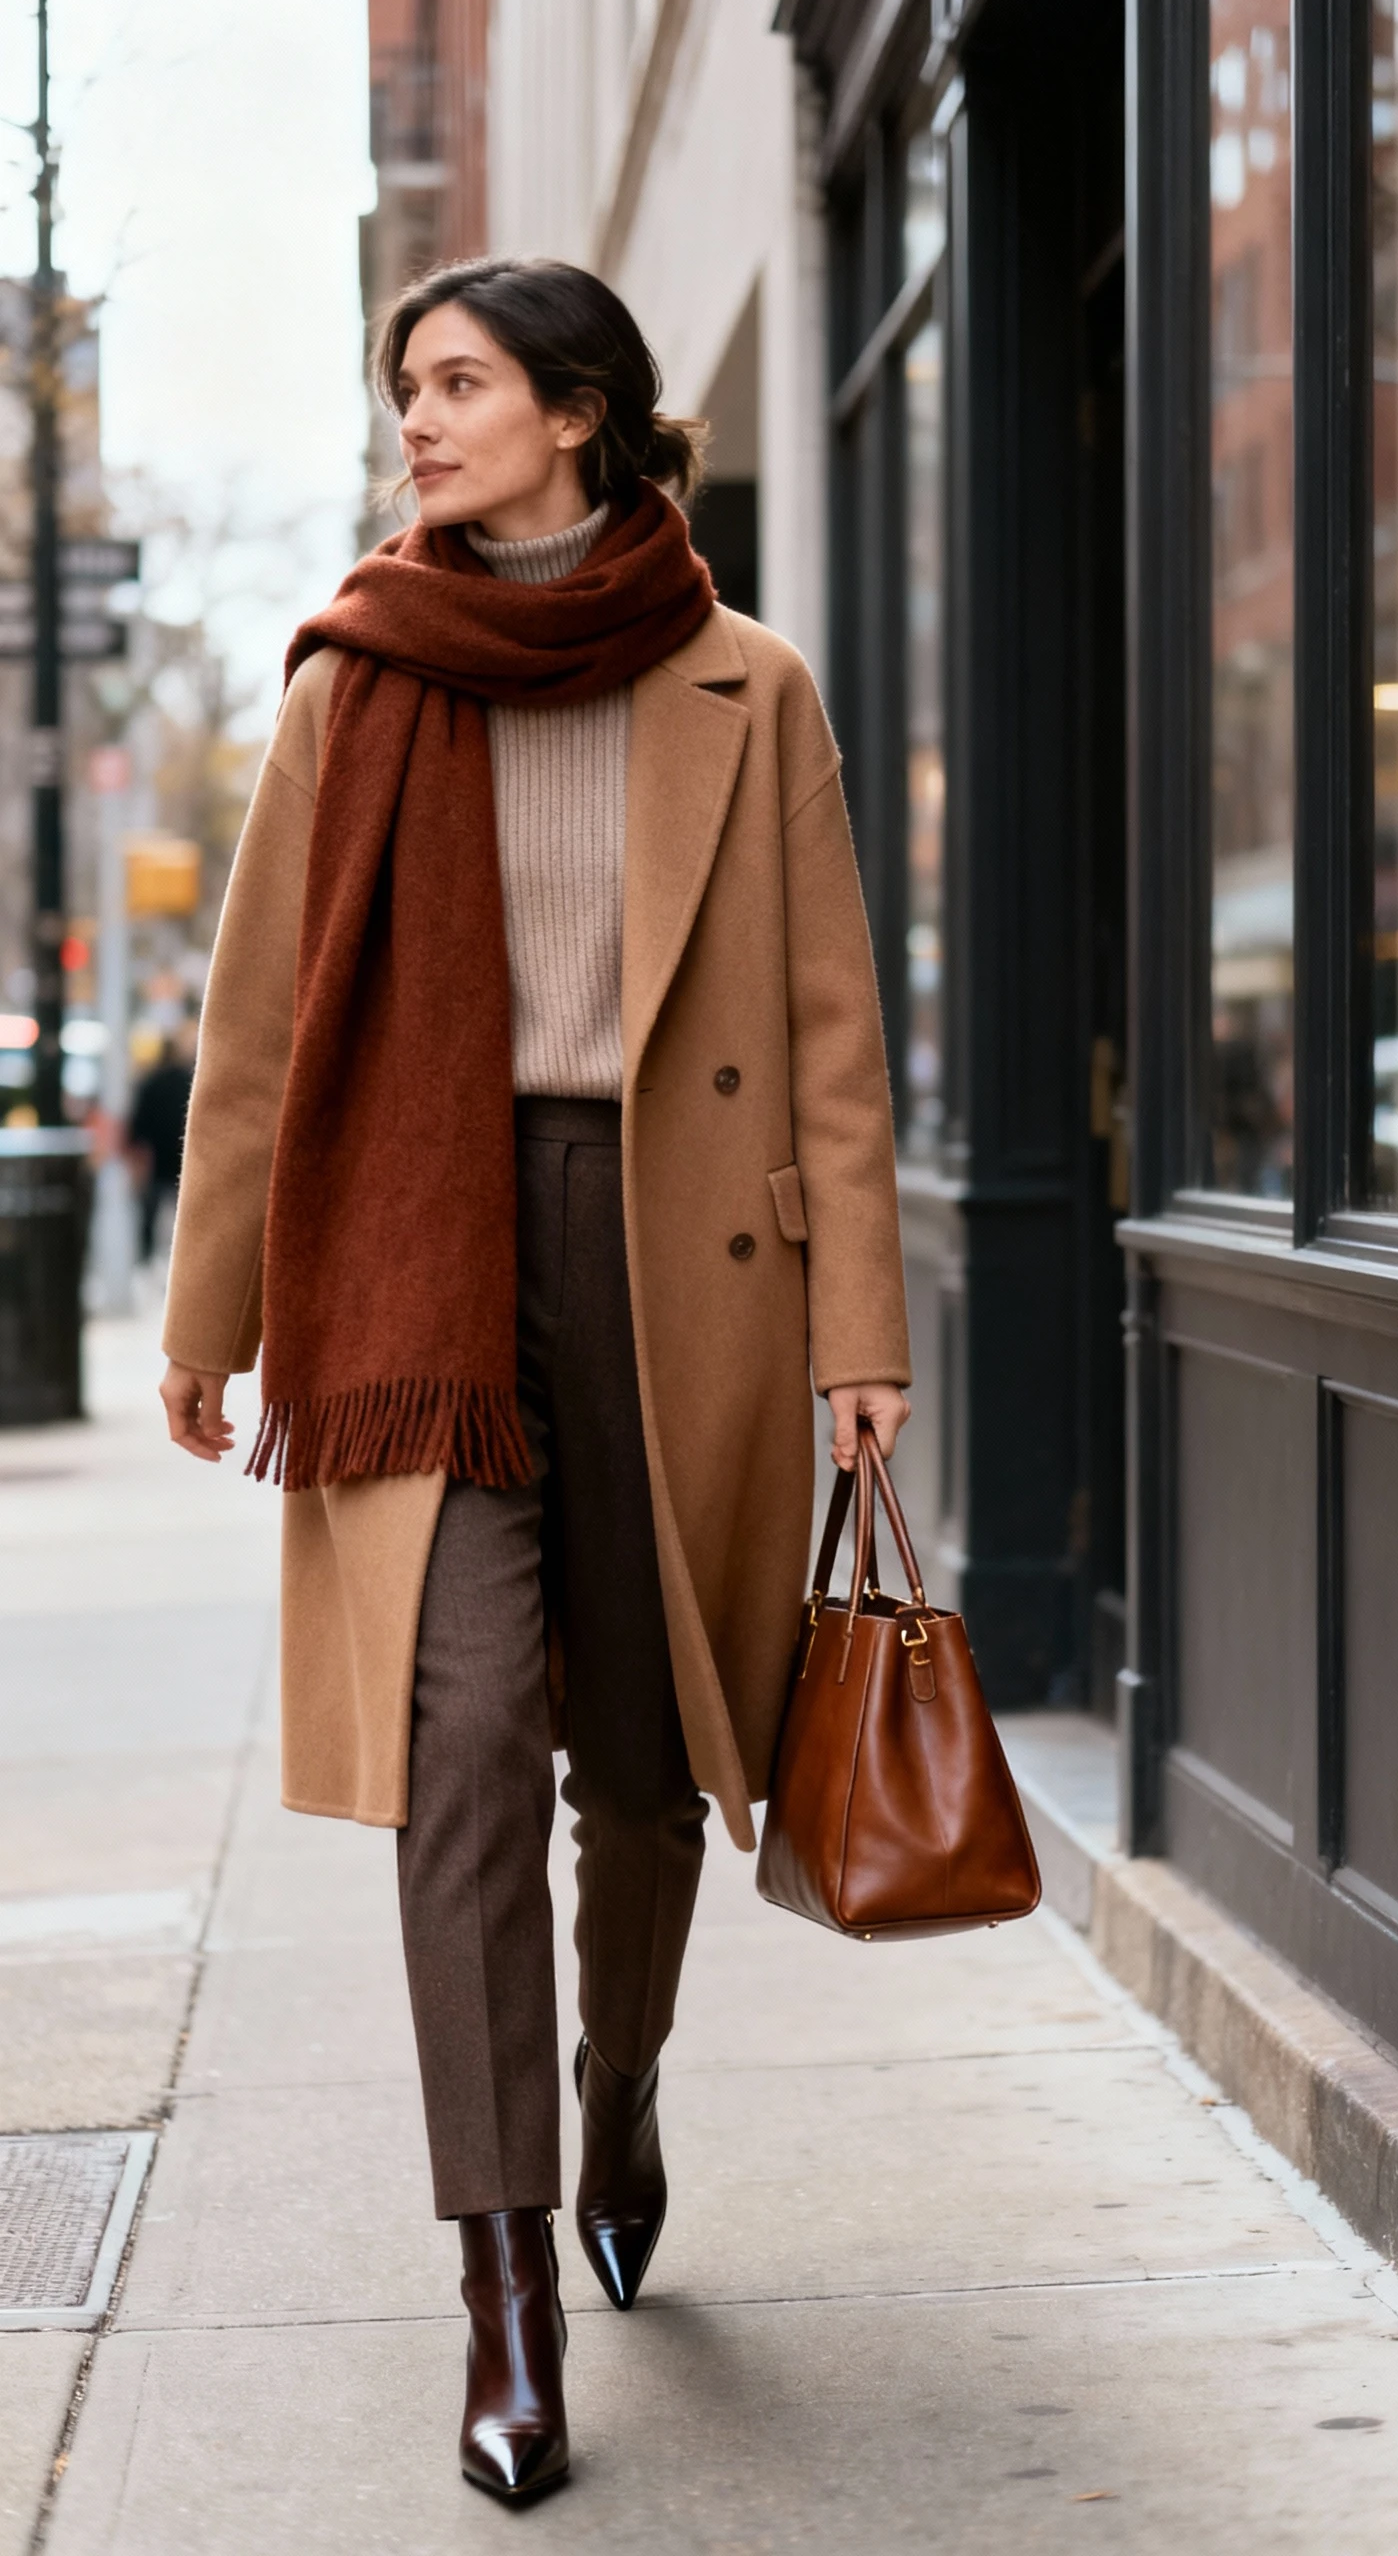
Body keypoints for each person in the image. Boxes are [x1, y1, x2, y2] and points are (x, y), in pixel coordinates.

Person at [158, 256, 911, 2504]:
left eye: (462, 382)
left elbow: (839, 1026)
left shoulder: (742, 682)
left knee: (649, 1753)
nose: (420, 418)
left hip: (685, 1261)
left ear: (581, 414)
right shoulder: (354, 681)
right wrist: (212, 1319)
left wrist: (862, 1332)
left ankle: (619, 2095)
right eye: (406, 386)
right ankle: (500, 2286)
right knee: (467, 1732)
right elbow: (265, 1036)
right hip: (426, 1265)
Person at [127, 1019, 196, 1261]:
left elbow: (138, 1124)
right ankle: (184, 1256)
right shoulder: (188, 1082)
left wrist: (136, 1151)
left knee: (150, 1210)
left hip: (156, 1157)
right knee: (183, 1210)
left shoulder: (150, 1083)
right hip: (181, 1155)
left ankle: (145, 1254)